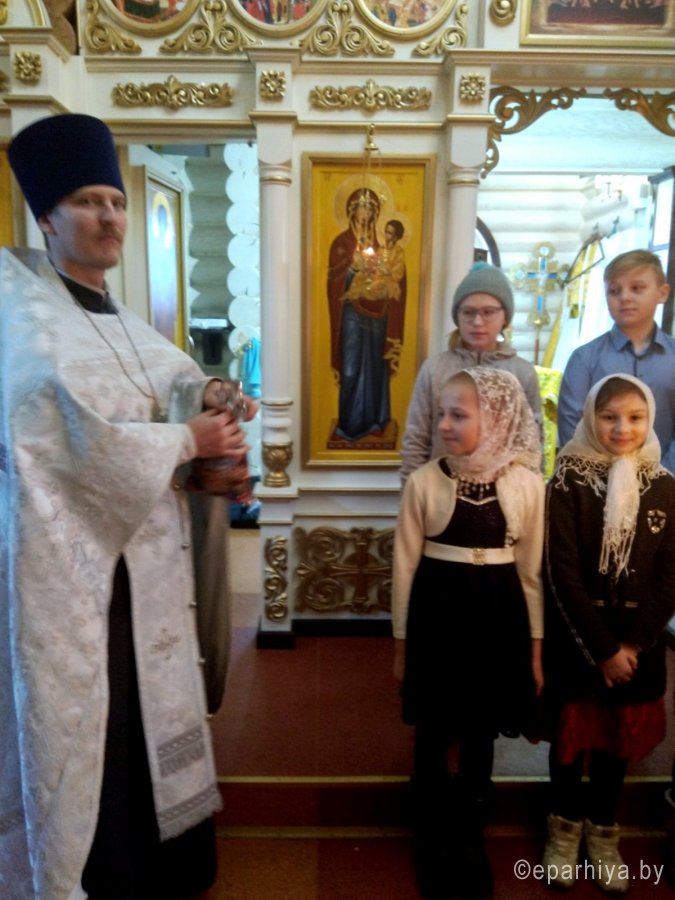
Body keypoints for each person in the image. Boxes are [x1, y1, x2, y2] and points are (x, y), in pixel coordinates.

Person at [1, 113, 257, 899]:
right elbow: (55, 433)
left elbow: (169, 378)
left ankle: (167, 865)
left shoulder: (122, 318)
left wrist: (210, 395)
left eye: (115, 201)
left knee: (155, 711)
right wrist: (184, 439)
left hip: (148, 574)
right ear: (48, 218)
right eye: (88, 201)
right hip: (83, 589)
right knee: (103, 725)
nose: (109, 217)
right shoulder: (27, 321)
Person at [392, 367, 544, 899]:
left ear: (497, 418)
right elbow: (405, 567)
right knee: (434, 725)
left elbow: (530, 573)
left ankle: (470, 834)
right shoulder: (424, 483)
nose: (444, 425)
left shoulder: (527, 486)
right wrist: (401, 646)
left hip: (499, 619)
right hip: (438, 617)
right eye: (441, 414)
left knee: (480, 730)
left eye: (459, 415)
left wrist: (535, 650)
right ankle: (433, 833)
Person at [542, 374, 675, 894]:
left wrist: (633, 646)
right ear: (590, 417)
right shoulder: (568, 480)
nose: (622, 428)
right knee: (569, 743)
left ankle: (602, 833)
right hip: (580, 640)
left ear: (651, 420)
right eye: (609, 416)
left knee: (616, 745)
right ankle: (562, 831)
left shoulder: (664, 485)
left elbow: (669, 576)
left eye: (635, 417)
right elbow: (561, 572)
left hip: (636, 645)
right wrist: (602, 650)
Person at [400, 261, 542, 485]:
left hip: (502, 493)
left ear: (504, 317)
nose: (477, 322)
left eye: (488, 312)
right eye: (468, 312)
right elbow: (416, 440)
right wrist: (412, 493)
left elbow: (531, 442)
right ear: (457, 316)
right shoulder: (435, 369)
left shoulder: (521, 372)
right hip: (441, 488)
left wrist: (530, 492)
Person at [557, 249, 674, 473]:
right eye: (614, 291)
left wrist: (661, 478)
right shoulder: (584, 359)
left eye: (637, 288)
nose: (624, 297)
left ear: (662, 293)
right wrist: (603, 480)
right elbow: (573, 430)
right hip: (595, 482)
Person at [327, 188, 406, 442]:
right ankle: (349, 425)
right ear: (352, 210)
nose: (367, 212)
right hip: (351, 313)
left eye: (372, 208)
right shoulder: (341, 243)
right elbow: (333, 279)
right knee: (351, 366)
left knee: (375, 365)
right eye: (363, 207)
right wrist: (351, 268)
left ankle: (375, 421)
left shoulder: (381, 246)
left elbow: (393, 274)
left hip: (377, 313)